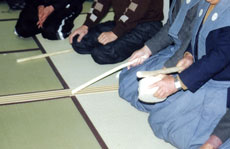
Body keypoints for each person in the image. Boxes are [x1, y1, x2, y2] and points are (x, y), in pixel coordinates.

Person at [119, 0, 200, 112]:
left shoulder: (205, 3)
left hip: (190, 57)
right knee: (126, 82)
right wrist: (146, 50)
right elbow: (170, 27)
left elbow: (192, 41)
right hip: (174, 49)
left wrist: (166, 70)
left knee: (150, 96)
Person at [69, 0, 163, 64]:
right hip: (122, 22)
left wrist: (115, 33)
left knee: (101, 54)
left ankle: (145, 47)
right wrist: (86, 25)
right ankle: (123, 42)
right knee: (78, 41)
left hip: (146, 26)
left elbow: (134, 10)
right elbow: (100, 4)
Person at [15, 0, 85, 40]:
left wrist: (53, 7)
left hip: (66, 3)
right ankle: (46, 21)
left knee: (52, 33)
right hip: (44, 2)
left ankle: (57, 22)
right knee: (22, 30)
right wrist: (40, 5)